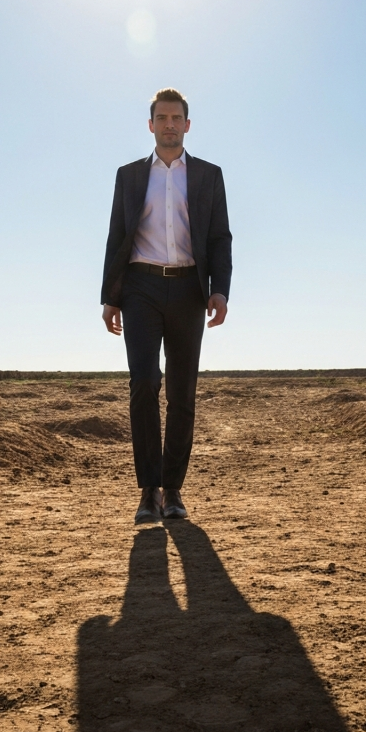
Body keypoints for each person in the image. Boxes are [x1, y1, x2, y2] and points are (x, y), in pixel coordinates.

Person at [101, 88, 232, 524]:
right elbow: (117, 236)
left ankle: (173, 490)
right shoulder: (129, 176)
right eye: (162, 117)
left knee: (181, 391)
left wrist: (220, 290)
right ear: (151, 124)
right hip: (140, 287)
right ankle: (148, 491)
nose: (170, 124)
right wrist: (110, 297)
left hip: (189, 289)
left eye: (177, 118)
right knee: (143, 383)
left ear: (187, 125)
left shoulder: (209, 175)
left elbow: (220, 237)